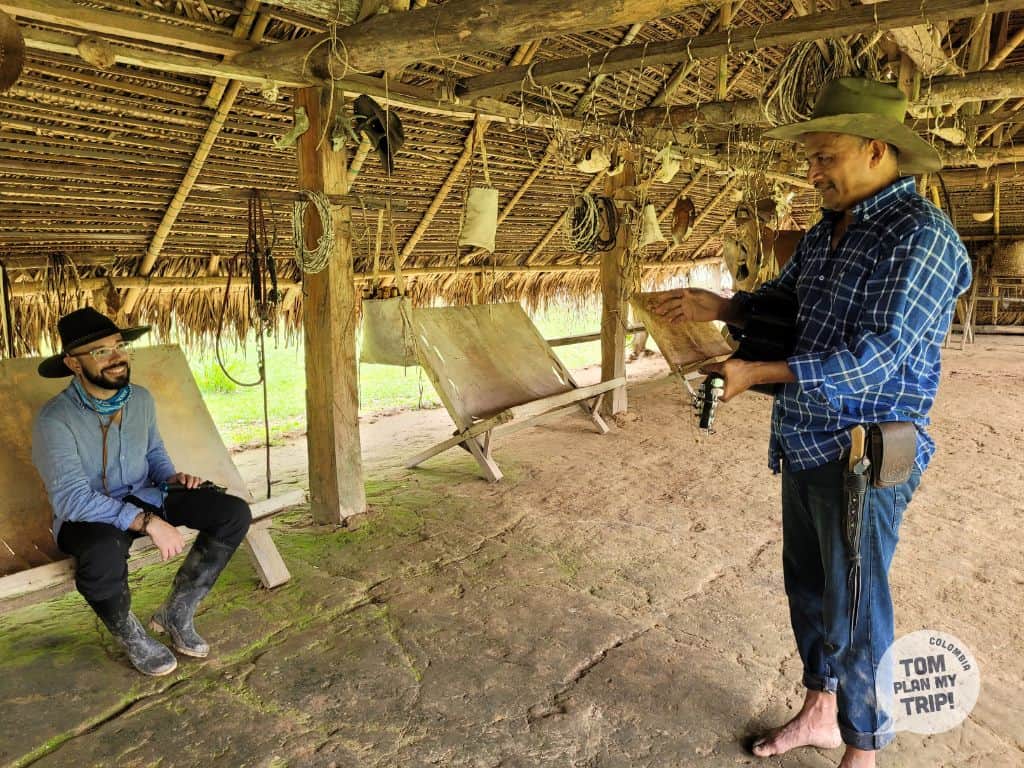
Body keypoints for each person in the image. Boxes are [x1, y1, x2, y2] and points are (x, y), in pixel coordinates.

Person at [657, 78, 971, 768]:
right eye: (810, 159)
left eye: (825, 156)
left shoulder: (920, 236)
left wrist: (757, 372)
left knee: (857, 605)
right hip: (804, 440)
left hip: (862, 453)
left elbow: (881, 356)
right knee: (810, 588)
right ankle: (821, 713)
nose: (812, 173)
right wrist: (724, 307)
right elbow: (786, 303)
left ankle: (865, 749)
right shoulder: (830, 229)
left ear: (876, 150)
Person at [32, 307, 251, 676]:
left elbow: (153, 453)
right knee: (101, 555)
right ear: (72, 363)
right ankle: (130, 634)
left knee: (233, 513)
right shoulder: (54, 420)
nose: (117, 357)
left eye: (119, 346)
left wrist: (172, 478)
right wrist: (147, 522)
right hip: (89, 515)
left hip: (146, 495)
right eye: (101, 351)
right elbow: (71, 499)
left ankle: (177, 612)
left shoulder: (141, 400)